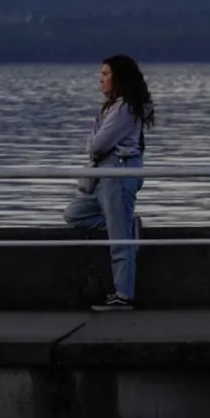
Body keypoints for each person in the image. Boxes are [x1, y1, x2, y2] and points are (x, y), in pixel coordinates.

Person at [63, 54, 154, 311]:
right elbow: (96, 145)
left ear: (119, 77)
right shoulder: (112, 106)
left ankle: (123, 296)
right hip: (105, 173)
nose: (100, 79)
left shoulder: (125, 107)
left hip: (118, 173)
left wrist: (93, 145)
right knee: (74, 213)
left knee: (118, 240)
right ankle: (128, 226)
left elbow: (98, 144)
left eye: (105, 74)